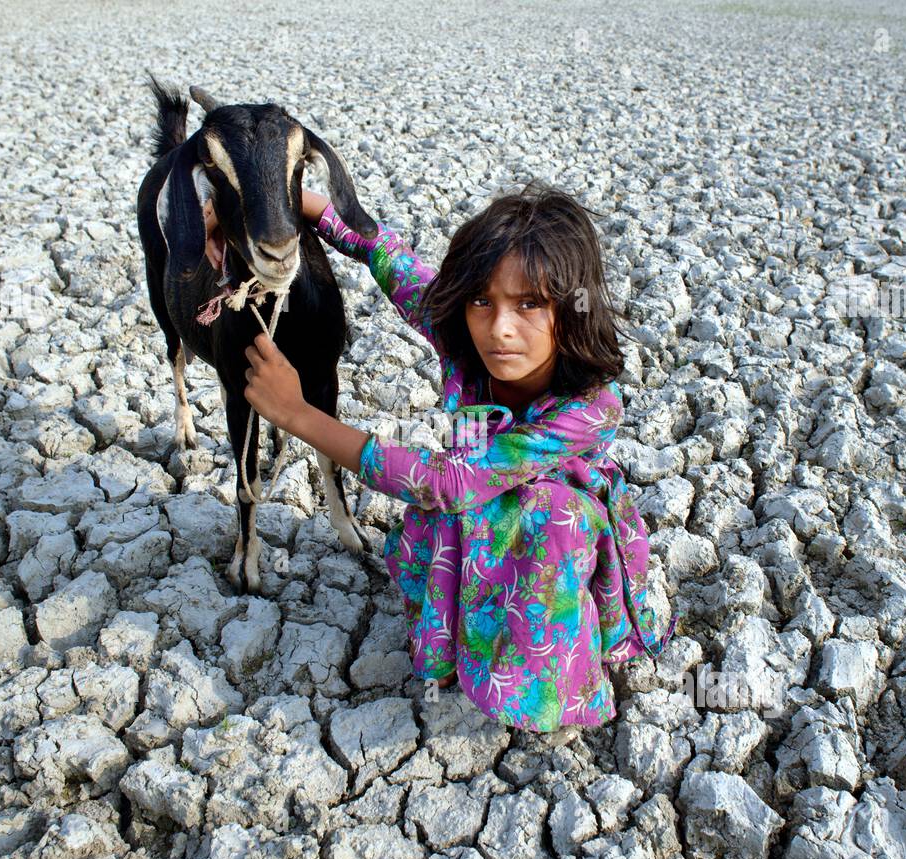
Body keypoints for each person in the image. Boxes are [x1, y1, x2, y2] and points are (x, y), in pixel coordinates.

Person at [228, 180, 677, 734]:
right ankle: (457, 640)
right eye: (482, 300)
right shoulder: (461, 336)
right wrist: (316, 210)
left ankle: (542, 686)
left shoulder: (590, 407)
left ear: (572, 307)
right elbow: (386, 257)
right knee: (470, 516)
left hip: (557, 532)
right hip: (472, 508)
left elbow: (450, 483)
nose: (500, 328)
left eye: (530, 304)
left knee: (542, 513)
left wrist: (298, 415)